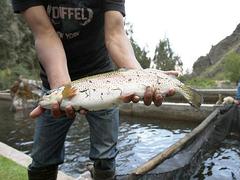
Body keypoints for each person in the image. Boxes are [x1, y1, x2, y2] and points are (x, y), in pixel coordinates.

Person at [11, 1, 175, 179]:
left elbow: (116, 35)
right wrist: (61, 89)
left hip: (106, 82)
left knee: (105, 159)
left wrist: (142, 77)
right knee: (42, 160)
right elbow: (45, 33)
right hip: (55, 81)